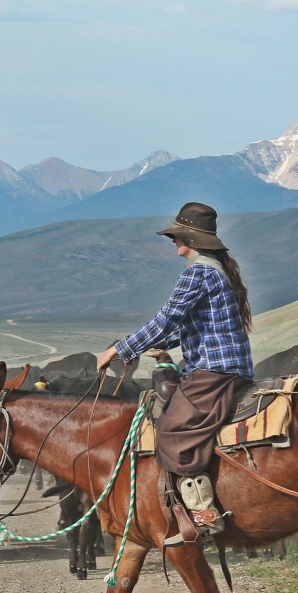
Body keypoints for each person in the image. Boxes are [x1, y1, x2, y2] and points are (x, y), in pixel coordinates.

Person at [95, 202, 253, 546]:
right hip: (225, 365)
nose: (173, 241)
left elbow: (166, 319)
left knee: (171, 430)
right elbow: (184, 329)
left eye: (176, 235)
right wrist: (159, 347)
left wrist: (117, 350)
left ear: (190, 238)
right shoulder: (215, 270)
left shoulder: (198, 272)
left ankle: (203, 517)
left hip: (213, 369)